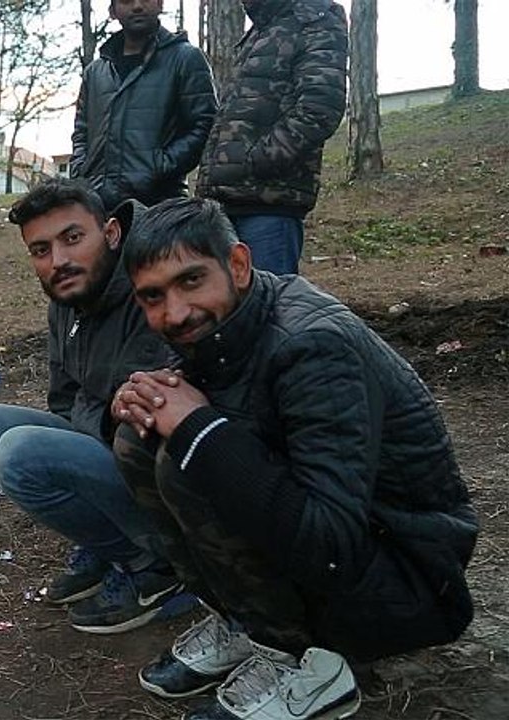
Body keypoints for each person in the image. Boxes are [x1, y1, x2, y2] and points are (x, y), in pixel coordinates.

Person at [112, 198, 477, 720]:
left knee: (191, 456)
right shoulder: (224, 328)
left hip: (407, 576)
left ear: (238, 264)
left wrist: (198, 428)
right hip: (343, 554)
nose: (175, 313)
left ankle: (308, 663)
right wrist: (140, 403)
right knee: (139, 440)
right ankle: (243, 622)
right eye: (153, 296)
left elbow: (331, 543)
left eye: (191, 281)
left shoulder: (313, 347)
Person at [0, 179, 188, 634]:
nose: (58, 260)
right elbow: (65, 399)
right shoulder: (66, 297)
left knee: (19, 454)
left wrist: (92, 418)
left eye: (72, 238)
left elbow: (146, 417)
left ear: (111, 233)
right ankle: (110, 543)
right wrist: (93, 417)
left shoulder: (152, 285)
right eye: (41, 250)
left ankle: (156, 566)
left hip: (161, 467)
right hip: (104, 437)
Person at [196, 0, 348, 275]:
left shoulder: (315, 18)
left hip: (269, 207)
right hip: (223, 204)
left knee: (267, 297)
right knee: (224, 299)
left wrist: (257, 162)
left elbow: (320, 108)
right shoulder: (261, 29)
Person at [69, 0, 217, 211]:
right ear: (112, 11)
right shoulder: (95, 72)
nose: (137, 6)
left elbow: (204, 124)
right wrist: (81, 174)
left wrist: (160, 166)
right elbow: (81, 131)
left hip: (160, 206)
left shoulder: (185, 59)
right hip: (99, 207)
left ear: (160, 4)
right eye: (126, 0)